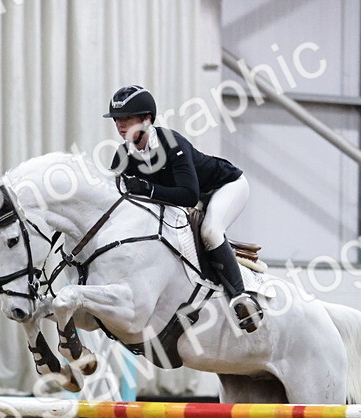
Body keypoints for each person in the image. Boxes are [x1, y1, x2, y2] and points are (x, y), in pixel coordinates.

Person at [105, 85, 262, 333]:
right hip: (193, 196)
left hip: (224, 187)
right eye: (117, 120)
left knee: (210, 231)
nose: (120, 125)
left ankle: (241, 299)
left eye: (127, 119)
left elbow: (188, 196)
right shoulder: (124, 155)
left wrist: (145, 188)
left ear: (147, 119)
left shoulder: (171, 143)